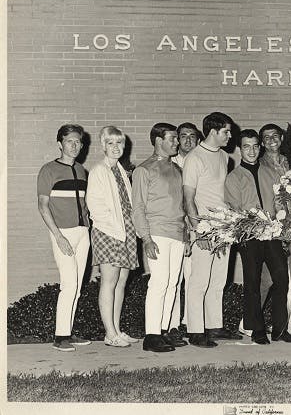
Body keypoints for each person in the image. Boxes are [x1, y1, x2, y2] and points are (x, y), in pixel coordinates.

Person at [225, 129, 291, 344]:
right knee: (252, 282)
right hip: (249, 236)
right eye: (247, 146)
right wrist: (250, 225)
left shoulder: (271, 173)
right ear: (240, 149)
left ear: (260, 147)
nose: (252, 150)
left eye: (255, 146)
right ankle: (256, 329)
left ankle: (279, 329)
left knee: (281, 279)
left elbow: (279, 202)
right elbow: (234, 210)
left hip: (272, 234)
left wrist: (282, 219)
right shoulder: (234, 177)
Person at [183, 112, 243, 348]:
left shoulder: (223, 157)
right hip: (204, 228)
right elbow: (188, 198)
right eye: (226, 131)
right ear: (213, 132)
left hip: (223, 227)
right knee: (199, 281)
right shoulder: (194, 158)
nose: (230, 135)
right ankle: (195, 330)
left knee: (218, 279)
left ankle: (214, 326)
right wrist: (199, 231)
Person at [132, 122, 188, 352]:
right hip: (156, 233)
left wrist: (186, 234)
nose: (177, 142)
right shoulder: (144, 170)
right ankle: (151, 335)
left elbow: (182, 204)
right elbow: (137, 207)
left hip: (177, 233)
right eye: (172, 138)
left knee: (172, 284)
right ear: (158, 140)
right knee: (159, 283)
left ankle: (163, 331)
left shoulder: (176, 169)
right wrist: (146, 238)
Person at [37, 124, 92, 351]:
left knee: (77, 287)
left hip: (82, 232)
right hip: (63, 233)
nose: (75, 145)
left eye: (78, 141)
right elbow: (42, 206)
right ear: (60, 144)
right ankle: (60, 337)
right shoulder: (49, 170)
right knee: (69, 284)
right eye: (70, 141)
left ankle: (67, 332)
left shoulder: (81, 170)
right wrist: (58, 236)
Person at [87, 126, 139, 348]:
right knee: (109, 282)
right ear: (103, 146)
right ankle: (109, 333)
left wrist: (128, 231)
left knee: (121, 283)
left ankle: (116, 330)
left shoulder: (120, 170)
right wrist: (114, 230)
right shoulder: (99, 171)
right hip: (108, 233)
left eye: (119, 143)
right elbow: (95, 207)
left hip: (125, 232)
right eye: (111, 143)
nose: (116, 147)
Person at [168, 122, 202, 339]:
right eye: (183, 136)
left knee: (193, 277)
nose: (188, 140)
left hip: (197, 227)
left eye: (192, 136)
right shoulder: (170, 165)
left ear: (198, 140)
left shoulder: (200, 161)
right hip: (176, 228)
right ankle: (171, 325)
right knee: (173, 278)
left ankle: (191, 324)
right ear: (177, 140)